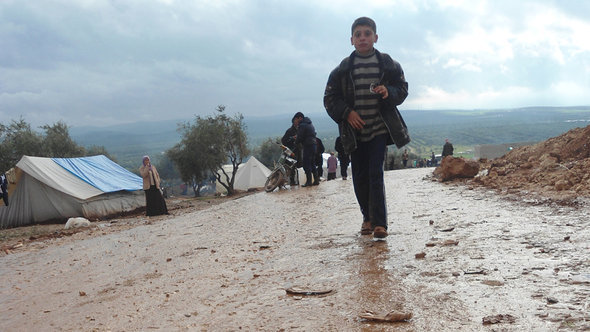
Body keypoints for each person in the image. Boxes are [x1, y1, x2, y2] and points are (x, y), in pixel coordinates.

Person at [324, 17, 409, 239]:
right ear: (351, 40)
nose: (363, 38)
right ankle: (367, 218)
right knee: (359, 176)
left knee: (375, 174)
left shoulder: (388, 64)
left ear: (375, 37)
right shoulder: (342, 70)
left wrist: (389, 92)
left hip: (379, 129)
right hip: (354, 133)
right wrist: (347, 113)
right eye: (358, 34)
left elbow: (402, 88)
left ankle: (380, 223)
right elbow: (329, 98)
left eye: (367, 33)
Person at [295, 116, 319, 187]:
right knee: (312, 163)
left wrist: (296, 142)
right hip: (314, 145)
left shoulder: (302, 125)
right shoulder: (310, 124)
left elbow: (300, 136)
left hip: (307, 145)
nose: (296, 121)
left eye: (296, 119)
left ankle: (309, 182)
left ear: (300, 118)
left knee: (306, 163)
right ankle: (316, 180)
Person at [281, 112, 304, 185]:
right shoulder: (290, 131)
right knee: (292, 168)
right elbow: (284, 141)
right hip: (292, 152)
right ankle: (292, 182)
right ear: (295, 119)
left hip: (300, 151)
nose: (299, 122)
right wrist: (292, 138)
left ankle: (300, 181)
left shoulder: (301, 129)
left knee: (300, 167)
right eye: (298, 120)